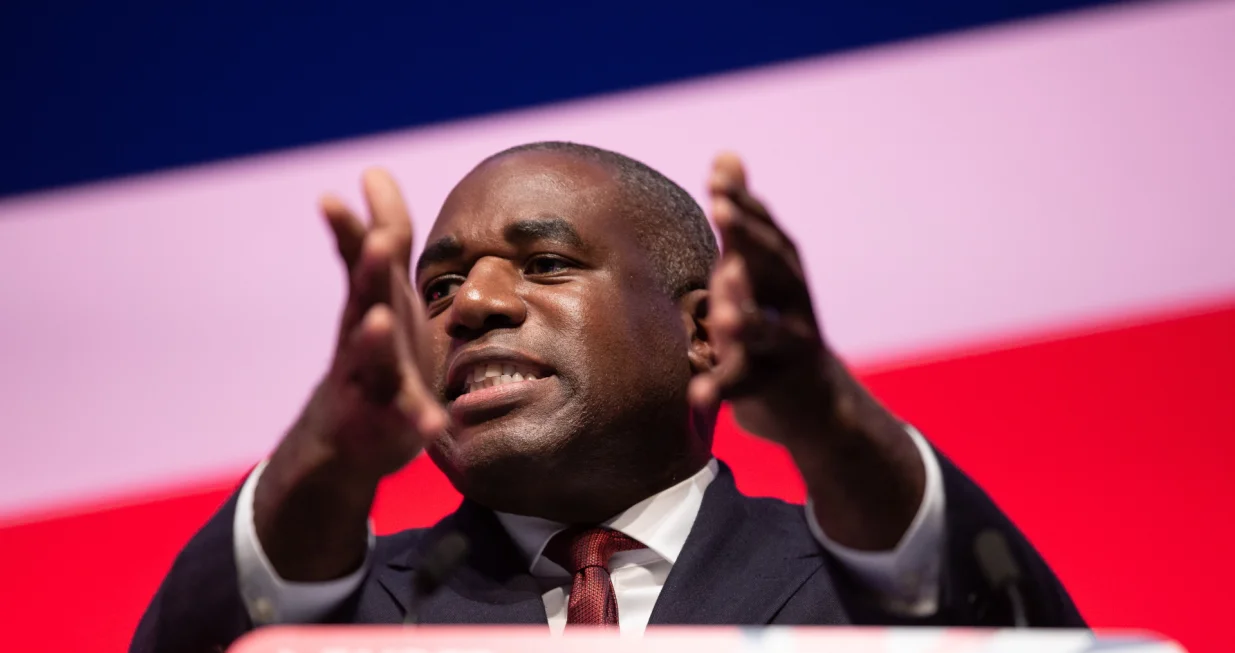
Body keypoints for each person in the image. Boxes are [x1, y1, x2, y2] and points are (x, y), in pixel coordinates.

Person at [131, 142, 1084, 653]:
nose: (473, 305)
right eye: (438, 286)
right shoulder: (342, 620)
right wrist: (325, 452)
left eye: (544, 263)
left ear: (704, 330)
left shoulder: (867, 585)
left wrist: (835, 422)